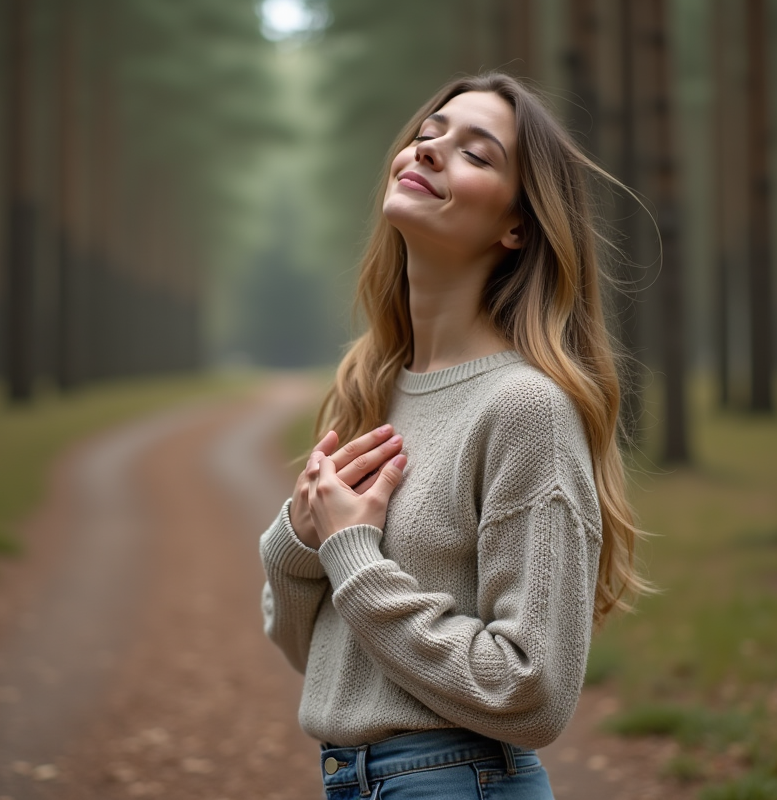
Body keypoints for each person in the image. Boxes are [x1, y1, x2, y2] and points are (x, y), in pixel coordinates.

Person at [259, 72, 649, 799]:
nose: (429, 149)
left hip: (453, 781)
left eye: (477, 153)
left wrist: (351, 551)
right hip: (351, 779)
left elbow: (533, 693)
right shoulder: (371, 387)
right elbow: (309, 651)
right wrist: (301, 537)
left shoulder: (525, 408)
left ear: (517, 226)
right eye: (430, 133)